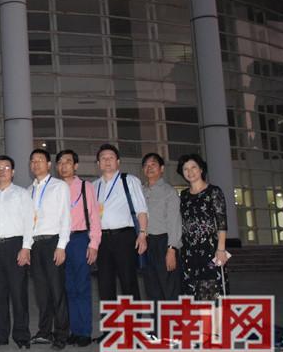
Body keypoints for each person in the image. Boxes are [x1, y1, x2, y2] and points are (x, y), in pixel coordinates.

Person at [0, 155, 34, 349]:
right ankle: (0, 334)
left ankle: (21, 335)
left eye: (6, 168)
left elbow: (29, 222)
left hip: (16, 246)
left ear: (13, 172)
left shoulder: (22, 194)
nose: (2, 171)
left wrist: (26, 247)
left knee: (18, 293)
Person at [55, 150, 101, 347]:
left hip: (80, 239)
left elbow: (94, 217)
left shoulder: (85, 186)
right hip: (60, 241)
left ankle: (84, 332)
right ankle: (74, 330)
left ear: (75, 166)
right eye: (60, 162)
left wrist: (94, 244)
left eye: (68, 162)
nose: (63, 165)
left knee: (82, 286)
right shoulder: (55, 188)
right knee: (68, 288)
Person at [93, 144, 148, 306]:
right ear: (98, 164)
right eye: (103, 158)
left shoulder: (129, 180)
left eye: (111, 158)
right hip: (102, 240)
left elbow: (141, 210)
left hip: (124, 237)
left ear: (118, 162)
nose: (107, 161)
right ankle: (109, 322)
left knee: (128, 282)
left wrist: (142, 234)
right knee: (105, 284)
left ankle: (133, 321)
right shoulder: (94, 186)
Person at [28, 149, 72, 350]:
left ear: (48, 165)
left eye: (40, 160)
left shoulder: (59, 186)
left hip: (53, 242)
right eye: (33, 161)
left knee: (57, 291)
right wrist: (27, 247)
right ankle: (44, 332)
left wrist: (61, 246)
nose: (36, 163)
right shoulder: (28, 190)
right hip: (35, 244)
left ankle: (61, 334)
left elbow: (66, 218)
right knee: (41, 292)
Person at [177, 154, 230, 300]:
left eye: (193, 167)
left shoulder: (214, 192)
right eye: (185, 169)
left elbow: (222, 222)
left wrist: (221, 249)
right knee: (191, 293)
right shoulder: (183, 195)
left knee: (211, 291)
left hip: (210, 250)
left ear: (201, 169)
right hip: (188, 252)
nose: (190, 172)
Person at [141, 153, 181, 336]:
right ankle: (158, 330)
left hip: (164, 242)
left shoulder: (169, 192)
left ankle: (174, 331)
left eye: (153, 164)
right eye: (146, 165)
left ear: (162, 169)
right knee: (152, 289)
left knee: (169, 289)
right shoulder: (140, 191)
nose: (149, 168)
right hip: (146, 244)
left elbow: (174, 222)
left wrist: (172, 249)